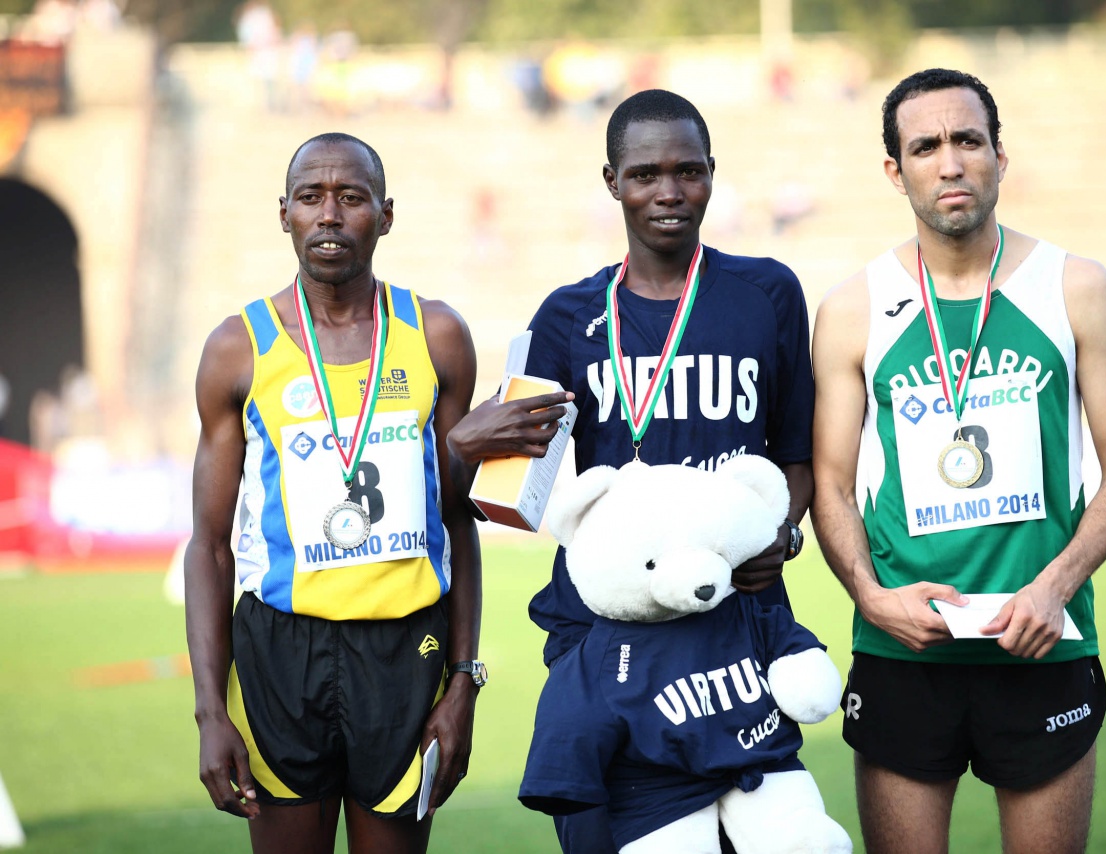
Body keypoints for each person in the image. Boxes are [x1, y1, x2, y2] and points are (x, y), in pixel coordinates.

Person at [447, 89, 816, 853]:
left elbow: (796, 456)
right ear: (612, 181)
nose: (669, 192)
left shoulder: (768, 292)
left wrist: (782, 533)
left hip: (733, 624)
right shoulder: (566, 316)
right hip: (606, 632)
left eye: (688, 171)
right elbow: (509, 491)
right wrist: (470, 446)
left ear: (712, 174)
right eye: (646, 174)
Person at [810, 68, 1106, 854]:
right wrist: (870, 598)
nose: (950, 162)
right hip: (905, 645)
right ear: (895, 170)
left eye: (967, 140)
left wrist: (1053, 588)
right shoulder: (852, 308)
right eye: (925, 147)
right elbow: (828, 485)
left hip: (1042, 637)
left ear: (1000, 154)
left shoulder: (1076, 287)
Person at [184, 132, 486, 854]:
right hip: (281, 649)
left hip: (405, 643)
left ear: (385, 215)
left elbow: (458, 520)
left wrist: (463, 684)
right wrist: (209, 712)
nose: (329, 214)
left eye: (351, 197)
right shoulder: (237, 347)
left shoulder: (436, 335)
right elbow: (210, 544)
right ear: (283, 213)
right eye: (310, 197)